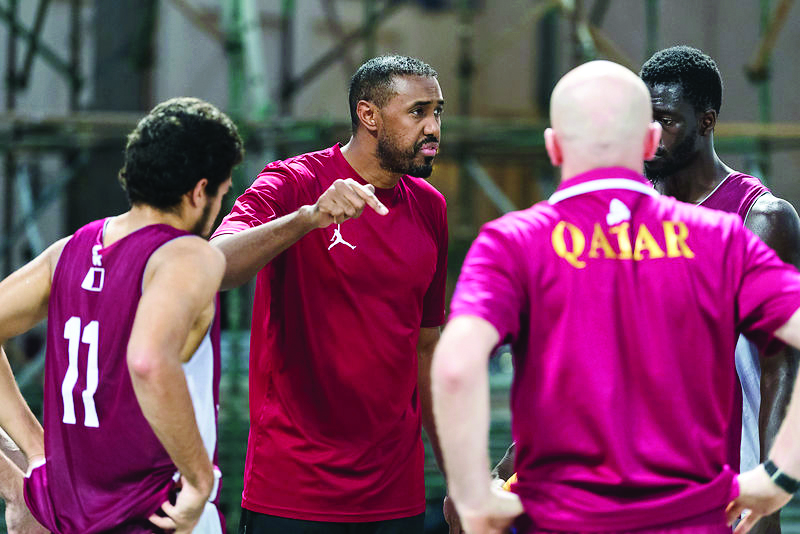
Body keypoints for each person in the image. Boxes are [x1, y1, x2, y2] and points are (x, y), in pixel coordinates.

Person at [431, 60, 800, 534]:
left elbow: (458, 369)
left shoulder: (518, 240)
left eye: (665, 117)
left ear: (551, 147)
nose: (656, 133)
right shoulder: (715, 239)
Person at [210, 54, 448, 534]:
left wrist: (458, 479)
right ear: (369, 115)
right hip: (294, 489)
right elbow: (216, 266)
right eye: (418, 112)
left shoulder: (430, 208)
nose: (434, 128)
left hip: (396, 496)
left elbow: (428, 350)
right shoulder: (292, 182)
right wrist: (306, 219)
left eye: (438, 112)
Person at [0, 96, 244, 534]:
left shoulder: (70, 250)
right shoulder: (187, 254)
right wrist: (199, 479)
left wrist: (36, 453)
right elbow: (149, 362)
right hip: (156, 514)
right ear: (199, 191)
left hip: (65, 517)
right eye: (223, 194)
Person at [641, 45, 800, 533]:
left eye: (665, 120)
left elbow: (781, 365)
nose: (649, 137)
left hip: (722, 479)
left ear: (706, 121)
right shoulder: (624, 211)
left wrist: (769, 490)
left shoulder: (761, 220)